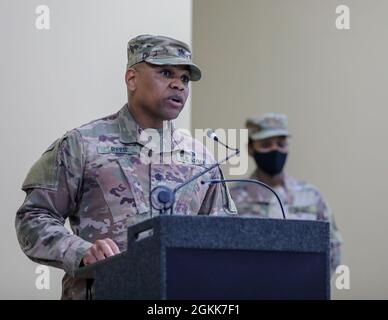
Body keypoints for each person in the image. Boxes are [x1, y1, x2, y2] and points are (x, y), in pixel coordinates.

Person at [15, 35, 236, 299]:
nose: (178, 85)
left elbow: (225, 233)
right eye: (166, 72)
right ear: (132, 78)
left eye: (185, 79)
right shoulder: (82, 144)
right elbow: (33, 218)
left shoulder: (200, 157)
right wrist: (80, 251)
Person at [229, 113, 342, 273]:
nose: (275, 150)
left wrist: (310, 283)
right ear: (251, 148)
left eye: (281, 144)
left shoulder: (310, 196)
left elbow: (333, 247)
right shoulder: (233, 198)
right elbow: (224, 251)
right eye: (266, 144)